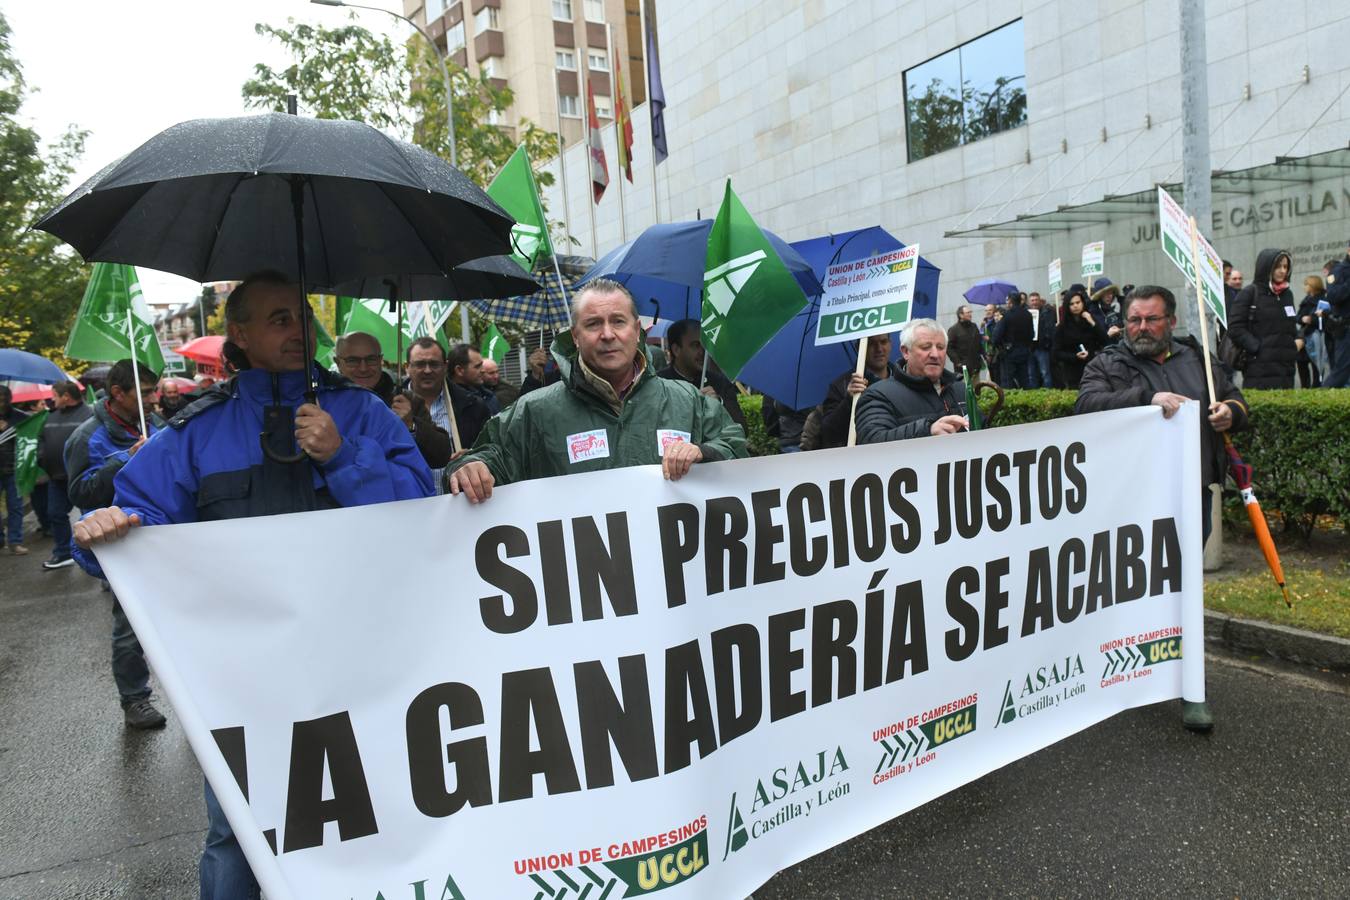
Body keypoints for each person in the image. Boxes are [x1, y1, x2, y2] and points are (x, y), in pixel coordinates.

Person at [73, 272, 434, 900]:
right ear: (237, 333)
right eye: (278, 319)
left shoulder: (359, 411)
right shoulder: (193, 433)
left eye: (302, 317)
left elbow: (423, 514)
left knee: (379, 819)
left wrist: (344, 457)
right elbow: (136, 535)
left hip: (364, 666)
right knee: (239, 836)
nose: (299, 331)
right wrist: (104, 539)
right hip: (247, 682)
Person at [1074, 284, 1249, 733]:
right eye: (1135, 319)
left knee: (1184, 589)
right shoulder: (1108, 363)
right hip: (1131, 502)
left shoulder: (1199, 360)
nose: (1142, 328)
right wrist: (1144, 400)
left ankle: (1190, 687)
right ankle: (1126, 670)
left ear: (1170, 321)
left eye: (1152, 319)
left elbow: (1236, 399)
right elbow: (1087, 406)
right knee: (1132, 590)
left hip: (1192, 494)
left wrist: (1231, 411)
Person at [446, 279, 747, 501]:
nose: (607, 334)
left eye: (618, 321)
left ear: (637, 331)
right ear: (575, 337)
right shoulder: (535, 411)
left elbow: (736, 448)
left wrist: (704, 453)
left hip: (672, 578)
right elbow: (487, 455)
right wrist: (468, 466)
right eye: (593, 324)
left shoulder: (688, 401)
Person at [64, 359, 166, 730]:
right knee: (130, 626)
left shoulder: (154, 423)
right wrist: (127, 459)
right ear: (118, 393)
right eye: (147, 392)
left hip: (162, 537)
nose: (154, 399)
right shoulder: (88, 435)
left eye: (155, 390)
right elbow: (79, 491)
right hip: (122, 545)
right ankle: (135, 699)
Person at [335, 331, 452, 470]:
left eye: (371, 359)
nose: (363, 368)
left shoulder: (406, 400)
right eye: (353, 361)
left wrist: (411, 426)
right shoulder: (325, 404)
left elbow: (441, 457)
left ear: (380, 360)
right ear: (338, 363)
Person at [855, 319, 968, 444]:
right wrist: (928, 430)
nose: (935, 354)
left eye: (940, 347)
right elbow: (872, 441)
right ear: (906, 352)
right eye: (926, 347)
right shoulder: (878, 395)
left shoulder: (960, 389)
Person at [37, 381, 93, 568]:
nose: (52, 400)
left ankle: (97, 557)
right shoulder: (51, 417)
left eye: (54, 396)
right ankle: (63, 553)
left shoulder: (89, 414)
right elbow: (41, 440)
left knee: (91, 518)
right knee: (55, 514)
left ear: (66, 397)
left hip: (83, 477)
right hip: (57, 478)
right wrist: (41, 457)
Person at [1226, 249, 1299, 389]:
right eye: (1278, 266)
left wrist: (1297, 340)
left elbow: (1291, 324)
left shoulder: (1287, 294)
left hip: (1286, 368)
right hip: (1259, 368)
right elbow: (1235, 328)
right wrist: (1258, 348)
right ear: (1266, 267)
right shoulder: (1249, 293)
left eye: (1285, 267)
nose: (1283, 271)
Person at [657, 318, 746, 426]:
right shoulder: (659, 383)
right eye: (695, 345)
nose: (702, 351)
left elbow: (741, 429)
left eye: (704, 344)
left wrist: (718, 405)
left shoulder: (720, 383)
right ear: (676, 349)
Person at [818, 332, 895, 449]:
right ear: (859, 348)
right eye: (871, 343)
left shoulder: (902, 379)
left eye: (883, 342)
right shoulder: (841, 385)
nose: (879, 349)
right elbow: (829, 433)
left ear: (890, 344)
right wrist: (849, 400)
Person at [1053, 291, 1106, 389]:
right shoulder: (1062, 327)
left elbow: (1104, 339)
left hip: (1093, 368)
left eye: (1078, 302)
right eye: (1072, 304)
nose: (1075, 306)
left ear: (1083, 303)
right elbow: (1056, 352)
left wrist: (1091, 321)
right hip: (1073, 372)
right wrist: (1074, 356)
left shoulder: (1090, 320)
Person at [0, 385, 30, 554]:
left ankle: (15, 542)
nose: (1, 402)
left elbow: (28, 437)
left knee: (15, 507)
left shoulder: (19, 417)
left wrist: (9, 428)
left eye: (4, 399)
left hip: (14, 469)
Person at [447, 342, 495, 442]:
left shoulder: (488, 396)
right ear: (459, 370)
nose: (483, 370)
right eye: (477, 366)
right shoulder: (446, 401)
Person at [992, 292, 1032, 388]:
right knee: (1024, 380)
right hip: (1024, 351)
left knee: (1007, 382)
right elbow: (1031, 334)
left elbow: (996, 337)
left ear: (1010, 302)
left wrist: (1000, 347)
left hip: (1009, 353)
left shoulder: (1006, 316)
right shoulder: (1027, 315)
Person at [1324, 244, 1350, 388]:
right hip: (1346, 329)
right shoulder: (1338, 271)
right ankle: (1318, 402)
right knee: (1341, 372)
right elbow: (1333, 296)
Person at [1296, 275, 1326, 388]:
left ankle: (1316, 389)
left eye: (1306, 284)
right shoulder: (1306, 300)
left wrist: (1312, 319)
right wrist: (1302, 318)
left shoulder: (1323, 300)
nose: (1304, 287)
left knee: (1317, 367)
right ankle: (1305, 389)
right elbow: (1297, 316)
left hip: (1316, 337)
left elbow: (1325, 319)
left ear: (1313, 285)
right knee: (1301, 364)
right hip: (1304, 337)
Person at [1027, 292, 1056, 387]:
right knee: (1031, 374)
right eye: (1032, 300)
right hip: (1030, 348)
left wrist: (1046, 343)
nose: (1034, 302)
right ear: (1029, 302)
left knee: (1045, 373)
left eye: (1036, 300)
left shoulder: (1047, 312)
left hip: (1042, 347)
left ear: (1040, 301)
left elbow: (1050, 329)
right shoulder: (1025, 313)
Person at [947, 304, 984, 380]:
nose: (970, 314)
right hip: (962, 370)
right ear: (961, 315)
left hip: (976, 367)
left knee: (977, 390)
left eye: (971, 312)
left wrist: (984, 355)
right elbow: (949, 348)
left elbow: (979, 343)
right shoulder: (953, 330)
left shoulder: (974, 326)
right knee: (965, 390)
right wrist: (958, 362)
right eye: (968, 313)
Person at [1088, 279, 1124, 344]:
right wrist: (1107, 335)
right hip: (1105, 348)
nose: (1108, 296)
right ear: (1100, 295)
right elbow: (1094, 336)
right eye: (1105, 293)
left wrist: (1121, 330)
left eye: (1110, 292)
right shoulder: (1094, 310)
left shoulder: (1122, 304)